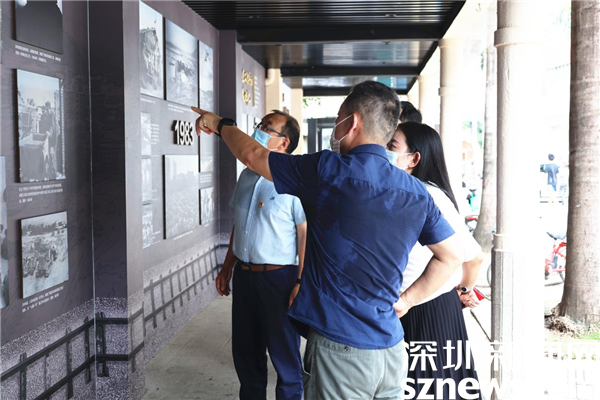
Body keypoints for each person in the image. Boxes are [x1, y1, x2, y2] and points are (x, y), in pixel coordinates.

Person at [193, 81, 462, 400]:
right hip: (391, 350)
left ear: (352, 122)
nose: (336, 125)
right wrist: (406, 301)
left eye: (338, 117)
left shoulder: (327, 170)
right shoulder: (415, 191)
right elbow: (451, 257)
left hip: (340, 349)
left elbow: (253, 156)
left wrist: (219, 123)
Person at [386, 122, 484, 399]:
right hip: (408, 306)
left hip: (426, 307)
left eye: (392, 146)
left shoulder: (428, 195)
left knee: (429, 386)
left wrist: (463, 290)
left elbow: (473, 258)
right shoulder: (403, 192)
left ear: (414, 159)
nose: (384, 151)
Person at [215, 110, 307, 400]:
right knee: (246, 354)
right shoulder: (246, 175)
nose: (259, 130)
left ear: (284, 143)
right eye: (260, 124)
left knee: (285, 356)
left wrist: (300, 282)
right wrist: (227, 267)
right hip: (244, 277)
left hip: (279, 280)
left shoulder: (295, 182)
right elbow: (240, 224)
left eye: (267, 127)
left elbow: (304, 236)